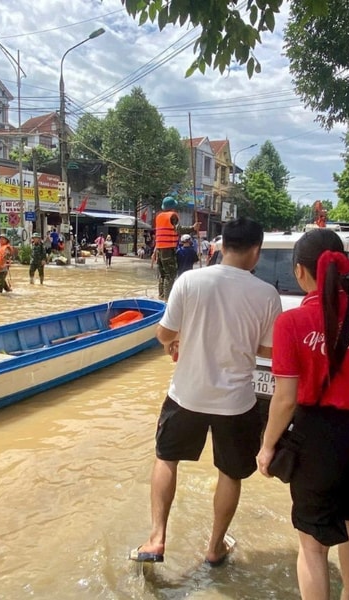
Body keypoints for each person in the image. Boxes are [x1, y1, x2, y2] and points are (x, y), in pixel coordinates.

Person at [256, 228, 349, 600]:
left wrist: (266, 447)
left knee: (312, 545)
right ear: (342, 268)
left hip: (317, 440)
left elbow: (285, 399)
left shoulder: (291, 324)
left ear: (299, 272)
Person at [130, 217, 282, 567]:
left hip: (186, 395)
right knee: (230, 473)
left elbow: (163, 335)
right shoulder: (266, 294)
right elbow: (271, 352)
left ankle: (156, 539)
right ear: (256, 251)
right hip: (237, 403)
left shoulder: (189, 281)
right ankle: (215, 547)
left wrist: (179, 341)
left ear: (221, 245)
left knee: (167, 459)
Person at [154, 196, 200, 301]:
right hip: (168, 249)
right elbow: (179, 230)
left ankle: (161, 297)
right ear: (173, 207)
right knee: (170, 275)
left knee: (162, 275)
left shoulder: (159, 216)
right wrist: (193, 228)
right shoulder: (172, 216)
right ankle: (167, 300)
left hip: (159, 250)